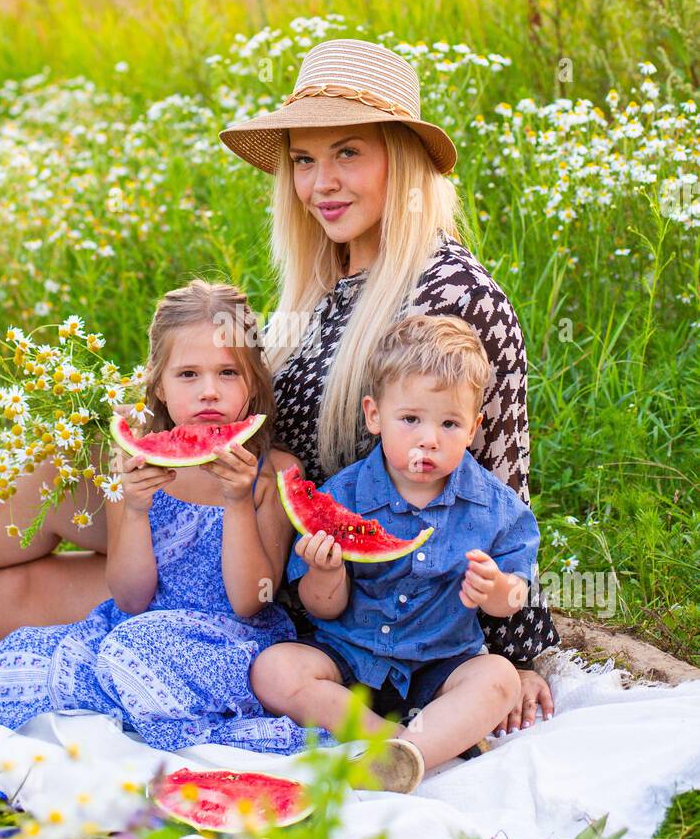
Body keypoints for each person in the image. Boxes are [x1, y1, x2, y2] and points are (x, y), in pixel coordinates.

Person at [219, 36, 558, 733]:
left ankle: (390, 751)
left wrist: (515, 653)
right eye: (305, 161)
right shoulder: (321, 287)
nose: (321, 184)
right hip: (283, 570)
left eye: (348, 153)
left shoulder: (453, 294)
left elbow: (495, 482)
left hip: (371, 612)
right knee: (64, 477)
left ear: (400, 163)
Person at [0, 280, 331, 754]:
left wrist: (238, 502)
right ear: (158, 384)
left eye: (228, 373)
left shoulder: (276, 474)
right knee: (60, 654)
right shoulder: (136, 463)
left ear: (254, 383)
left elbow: (249, 601)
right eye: (188, 375)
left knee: (134, 651)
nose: (209, 391)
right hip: (141, 626)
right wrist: (136, 510)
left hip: (230, 643)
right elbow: (129, 596)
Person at [251, 311, 541, 792]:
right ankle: (395, 743)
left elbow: (512, 601)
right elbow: (324, 607)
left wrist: (496, 589)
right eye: (410, 420)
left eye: (450, 424)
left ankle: (410, 755)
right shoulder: (342, 495)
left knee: (498, 678)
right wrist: (326, 574)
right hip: (349, 661)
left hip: (440, 666)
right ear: (374, 416)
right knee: (274, 669)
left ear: (474, 428)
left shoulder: (497, 509)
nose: (429, 439)